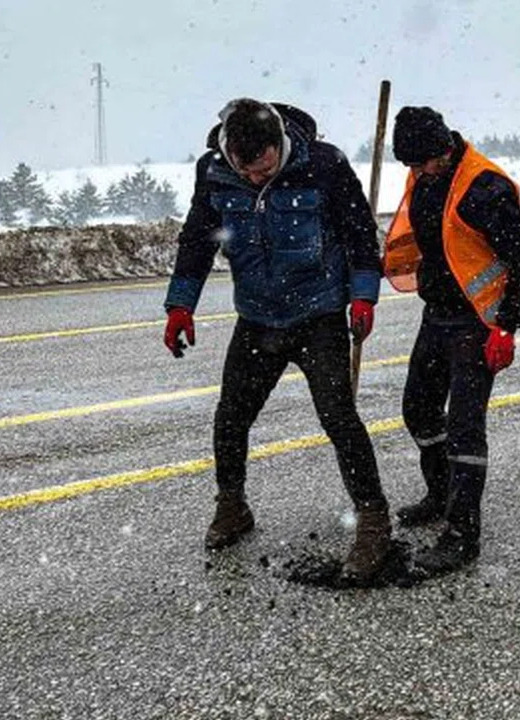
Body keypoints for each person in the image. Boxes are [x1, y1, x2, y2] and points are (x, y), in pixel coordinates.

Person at [162, 98, 391, 583]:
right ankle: (232, 505)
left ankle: (373, 520)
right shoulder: (214, 171)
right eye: (246, 172)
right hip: (257, 317)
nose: (255, 179)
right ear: (230, 152)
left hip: (319, 315)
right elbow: (197, 239)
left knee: (339, 418)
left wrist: (364, 296)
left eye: (264, 170)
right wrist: (181, 305)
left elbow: (358, 235)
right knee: (231, 416)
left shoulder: (323, 164)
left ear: (280, 144)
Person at [384, 106, 520, 578]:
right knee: (418, 409)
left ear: (444, 149)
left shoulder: (483, 188)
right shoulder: (425, 178)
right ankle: (440, 494)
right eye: (410, 165)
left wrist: (506, 326)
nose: (417, 172)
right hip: (437, 313)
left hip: (477, 322)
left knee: (464, 427)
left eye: (423, 163)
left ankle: (462, 534)